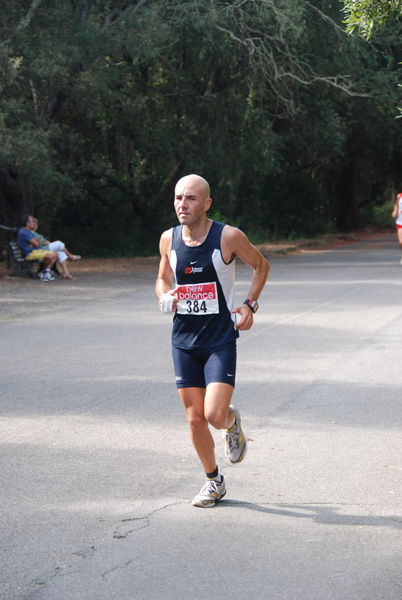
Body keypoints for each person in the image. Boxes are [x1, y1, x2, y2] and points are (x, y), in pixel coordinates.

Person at [156, 174, 269, 508]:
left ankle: (231, 424)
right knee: (195, 418)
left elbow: (261, 265)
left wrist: (250, 306)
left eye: (190, 199)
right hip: (183, 341)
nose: (182, 205)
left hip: (219, 339)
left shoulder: (228, 237)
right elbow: (163, 278)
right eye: (178, 198)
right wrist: (165, 295)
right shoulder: (168, 239)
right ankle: (213, 481)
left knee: (215, 415)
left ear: (206, 204)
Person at [17, 215, 58, 282]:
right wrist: (34, 242)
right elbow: (36, 243)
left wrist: (33, 242)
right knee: (49, 256)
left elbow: (37, 243)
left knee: (56, 254)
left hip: (35, 250)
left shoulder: (29, 232)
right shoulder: (24, 232)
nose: (35, 223)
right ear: (27, 223)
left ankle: (44, 271)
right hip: (29, 253)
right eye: (33, 221)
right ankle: (44, 272)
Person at [391, 186, 402, 263]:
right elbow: (397, 205)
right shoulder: (399, 196)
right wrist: (395, 211)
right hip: (400, 221)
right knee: (401, 242)